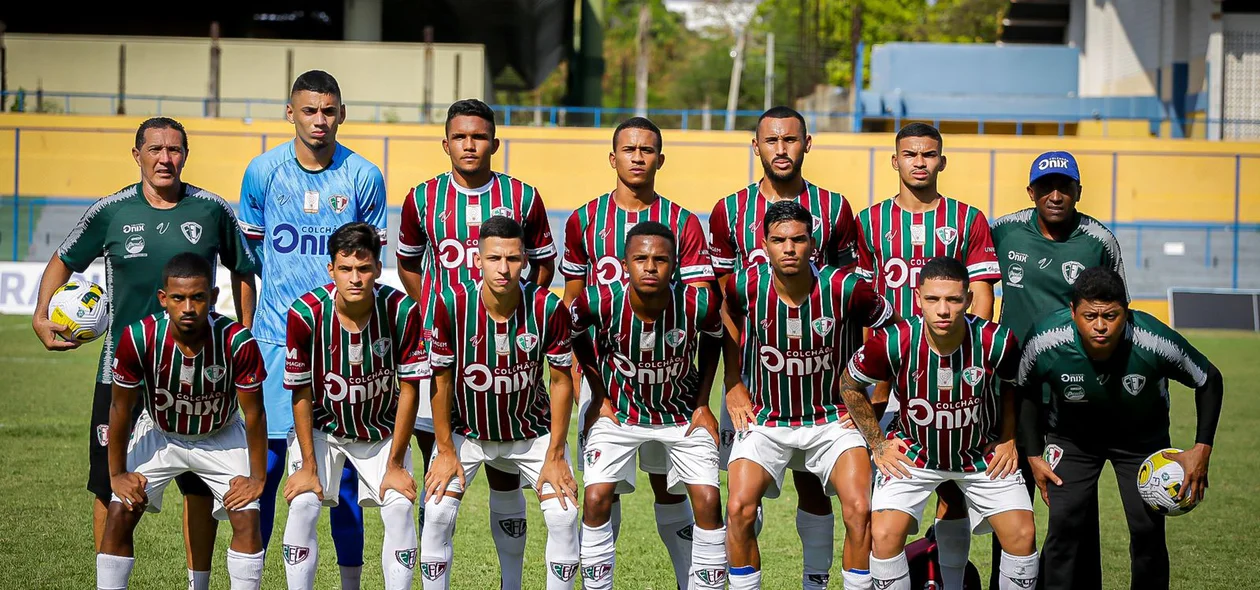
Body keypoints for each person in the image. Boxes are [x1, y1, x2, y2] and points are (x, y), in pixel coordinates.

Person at [32, 116, 257, 590]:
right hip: (124, 370)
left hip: (200, 373)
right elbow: (64, 260)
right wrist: (40, 313)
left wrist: (242, 334)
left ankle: (199, 583)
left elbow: (242, 270)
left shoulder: (211, 208)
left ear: (185, 155)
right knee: (110, 485)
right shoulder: (111, 211)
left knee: (200, 490)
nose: (164, 159)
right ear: (137, 155)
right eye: (154, 149)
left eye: (174, 150)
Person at [396, 98, 557, 588]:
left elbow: (544, 262)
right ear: (446, 143)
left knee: (506, 466)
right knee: (439, 467)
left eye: (479, 136)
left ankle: (510, 579)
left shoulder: (523, 197)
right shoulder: (421, 198)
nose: (470, 145)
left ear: (495, 143)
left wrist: (520, 309)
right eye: (461, 137)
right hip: (441, 357)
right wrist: (438, 310)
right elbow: (408, 262)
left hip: (507, 354)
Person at [237, 70, 386, 588]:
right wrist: (247, 333)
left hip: (348, 350)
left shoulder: (364, 176)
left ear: (341, 113)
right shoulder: (263, 172)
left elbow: (368, 264)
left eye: (328, 110)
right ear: (291, 112)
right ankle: (251, 580)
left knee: (343, 479)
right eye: (309, 110)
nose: (319, 120)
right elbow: (248, 263)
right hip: (277, 341)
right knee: (270, 468)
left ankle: (350, 584)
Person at [559, 116, 716, 588]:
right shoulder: (584, 219)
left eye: (647, 150)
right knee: (602, 491)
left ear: (659, 159)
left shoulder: (684, 223)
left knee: (668, 490)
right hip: (609, 383)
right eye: (629, 149)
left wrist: (702, 395)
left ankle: (692, 577)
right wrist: (592, 386)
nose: (637, 157)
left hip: (671, 386)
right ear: (613, 158)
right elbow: (574, 304)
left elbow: (699, 309)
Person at [709, 105, 859, 589]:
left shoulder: (834, 209)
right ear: (756, 146)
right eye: (771, 141)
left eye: (790, 140)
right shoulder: (728, 211)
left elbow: (848, 298)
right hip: (759, 393)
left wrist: (851, 387)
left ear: (806, 144)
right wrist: (733, 384)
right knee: (740, 502)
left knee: (816, 491)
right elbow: (724, 307)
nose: (781, 150)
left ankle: (814, 580)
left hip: (821, 392)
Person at [854, 123, 1002, 588]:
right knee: (881, 486)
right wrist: (878, 375)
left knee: (953, 489)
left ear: (942, 161)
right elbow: (863, 302)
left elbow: (981, 297)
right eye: (910, 154)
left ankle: (951, 582)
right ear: (894, 160)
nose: (920, 162)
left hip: (954, 377)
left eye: (929, 154)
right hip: (891, 375)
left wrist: (968, 365)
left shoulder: (968, 218)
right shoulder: (869, 221)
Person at [724, 201, 898, 590]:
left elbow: (895, 331)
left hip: (833, 419)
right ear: (764, 244)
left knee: (859, 509)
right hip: (766, 418)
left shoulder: (846, 287)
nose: (789, 248)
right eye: (779, 240)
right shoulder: (744, 284)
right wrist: (733, 381)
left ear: (812, 243)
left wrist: (877, 394)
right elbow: (727, 319)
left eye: (798, 239)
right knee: (737, 509)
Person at [838, 256, 1039, 590]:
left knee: (1022, 534)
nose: (943, 310)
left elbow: (1012, 387)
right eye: (933, 299)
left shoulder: (996, 340)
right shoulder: (893, 340)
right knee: (884, 534)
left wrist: (1007, 437)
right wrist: (877, 443)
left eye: (953, 299)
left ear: (969, 300)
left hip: (979, 455)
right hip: (914, 454)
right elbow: (849, 384)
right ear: (918, 299)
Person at [1017, 267, 1223, 590]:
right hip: (1073, 440)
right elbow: (1025, 389)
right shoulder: (1045, 340)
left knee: (1147, 533)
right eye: (1090, 316)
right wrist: (1032, 453)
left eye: (1111, 316)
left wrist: (1202, 448)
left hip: (1141, 442)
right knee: (1063, 527)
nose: (1100, 326)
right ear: (1073, 312)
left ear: (1126, 312)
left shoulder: (1153, 340)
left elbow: (1209, 379)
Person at [988, 150, 1125, 590]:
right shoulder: (1003, 230)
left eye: (1064, 186)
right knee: (1011, 501)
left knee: (1072, 505)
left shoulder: (1098, 240)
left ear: (1078, 192)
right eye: (1045, 186)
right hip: (1011, 391)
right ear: (1030, 192)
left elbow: (1120, 311)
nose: (1055, 194)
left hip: (1074, 393)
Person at [420, 216, 579, 590]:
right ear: (477, 260)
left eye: (511, 259)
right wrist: (444, 450)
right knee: (437, 513)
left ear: (525, 260)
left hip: (533, 432)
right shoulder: (451, 305)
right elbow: (440, 383)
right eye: (494, 258)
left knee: (564, 516)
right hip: (467, 432)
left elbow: (560, 382)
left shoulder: (546, 307)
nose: (503, 269)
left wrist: (556, 453)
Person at [97, 253, 267, 590]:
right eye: (178, 298)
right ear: (164, 299)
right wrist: (116, 475)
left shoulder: (237, 341)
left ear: (213, 297)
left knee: (247, 515)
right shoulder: (139, 338)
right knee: (119, 514)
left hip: (220, 435)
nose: (188, 307)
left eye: (197, 297)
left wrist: (257, 478)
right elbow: (119, 409)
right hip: (161, 434)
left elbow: (254, 413)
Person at [572, 222, 727, 590]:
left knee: (707, 499)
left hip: (680, 415)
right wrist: (599, 393)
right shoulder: (600, 300)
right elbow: (576, 335)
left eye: (661, 259)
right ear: (625, 263)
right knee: (595, 498)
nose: (650, 267)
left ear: (675, 264)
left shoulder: (697, 304)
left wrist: (703, 402)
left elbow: (715, 339)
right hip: (620, 413)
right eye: (640, 258)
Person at [280, 223, 424, 590]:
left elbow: (410, 389)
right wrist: (309, 467)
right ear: (331, 269)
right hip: (323, 429)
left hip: (381, 432)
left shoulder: (402, 311)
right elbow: (300, 393)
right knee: (303, 504)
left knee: (399, 507)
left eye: (364, 269)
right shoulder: (304, 314)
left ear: (378, 267)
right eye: (345, 269)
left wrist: (394, 463)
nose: (355, 278)